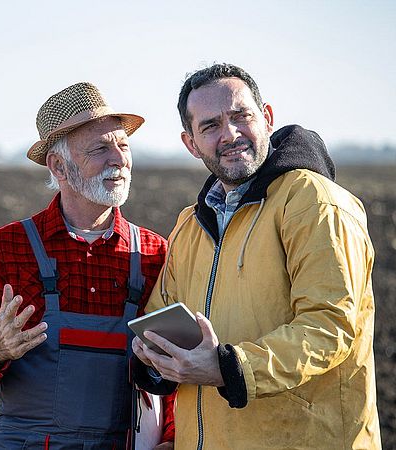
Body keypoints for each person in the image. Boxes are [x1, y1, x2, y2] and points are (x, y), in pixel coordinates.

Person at [132, 63, 381, 449]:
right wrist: (154, 355)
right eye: (210, 126)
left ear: (266, 117)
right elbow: (160, 316)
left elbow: (331, 326)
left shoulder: (314, 202)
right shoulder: (190, 225)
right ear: (191, 143)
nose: (230, 134)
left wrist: (228, 367)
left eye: (240, 116)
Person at [0, 82, 175, 449]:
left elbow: (175, 367)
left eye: (123, 145)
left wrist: (171, 438)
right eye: (100, 148)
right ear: (59, 166)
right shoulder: (6, 249)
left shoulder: (153, 253)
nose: (118, 158)